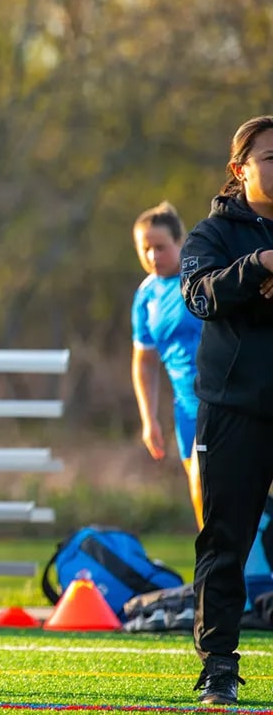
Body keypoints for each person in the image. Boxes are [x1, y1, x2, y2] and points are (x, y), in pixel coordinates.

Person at [181, 114, 273, 707]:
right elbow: (200, 295)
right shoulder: (212, 235)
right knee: (226, 543)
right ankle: (219, 666)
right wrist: (260, 266)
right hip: (235, 411)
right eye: (272, 157)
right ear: (240, 170)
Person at [131, 202, 204, 529]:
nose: (152, 256)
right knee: (202, 496)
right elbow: (144, 362)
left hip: (225, 399)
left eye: (160, 247)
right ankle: (224, 560)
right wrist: (149, 420)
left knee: (209, 484)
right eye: (144, 249)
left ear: (180, 241)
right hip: (186, 408)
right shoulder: (146, 296)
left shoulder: (204, 276)